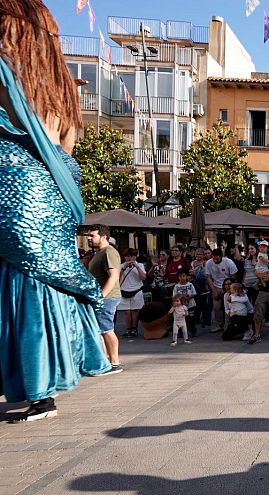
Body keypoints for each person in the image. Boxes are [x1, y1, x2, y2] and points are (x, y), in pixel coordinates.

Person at [0, 2, 115, 422]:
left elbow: (20, 118)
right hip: (52, 186)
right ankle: (43, 386)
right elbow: (66, 146)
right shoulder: (59, 88)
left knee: (25, 281)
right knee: (41, 282)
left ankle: (37, 386)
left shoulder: (13, 74)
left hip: (18, 183)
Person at [85, 224, 123, 374]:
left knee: (107, 329)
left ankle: (114, 363)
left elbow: (113, 276)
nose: (88, 238)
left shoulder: (109, 252)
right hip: (100, 298)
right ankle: (106, 362)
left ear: (103, 237)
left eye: (92, 235)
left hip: (107, 298)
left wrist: (100, 297)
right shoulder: (99, 253)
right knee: (101, 330)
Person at [205, 248, 238, 333]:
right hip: (216, 286)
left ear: (221, 257)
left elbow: (233, 278)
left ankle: (229, 324)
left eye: (217, 259)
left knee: (228, 307)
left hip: (228, 286)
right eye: (213, 258)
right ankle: (220, 325)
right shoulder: (209, 263)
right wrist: (214, 291)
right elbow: (208, 277)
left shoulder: (229, 262)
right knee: (217, 307)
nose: (215, 260)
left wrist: (228, 290)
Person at [118, 248, 146, 338]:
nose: (130, 258)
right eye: (127, 256)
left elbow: (143, 277)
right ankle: (128, 328)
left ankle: (134, 328)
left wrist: (137, 267)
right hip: (124, 290)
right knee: (126, 311)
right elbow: (117, 279)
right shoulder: (121, 266)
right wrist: (123, 268)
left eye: (132, 256)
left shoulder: (140, 265)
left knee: (134, 311)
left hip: (136, 289)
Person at [172, 269, 197, 338]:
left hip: (190, 305)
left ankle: (193, 331)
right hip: (180, 306)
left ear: (187, 276)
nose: (182, 278)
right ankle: (181, 332)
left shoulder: (190, 285)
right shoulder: (176, 286)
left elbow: (194, 293)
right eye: (180, 276)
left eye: (183, 276)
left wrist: (187, 298)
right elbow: (174, 296)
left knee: (191, 319)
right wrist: (180, 299)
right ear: (178, 277)